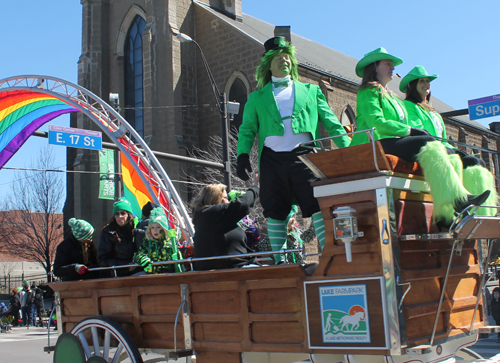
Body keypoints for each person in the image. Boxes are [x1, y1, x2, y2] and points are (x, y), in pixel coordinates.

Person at [350, 47, 490, 227]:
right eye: (388, 64)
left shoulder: (392, 96)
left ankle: (473, 211)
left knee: (457, 155)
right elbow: (376, 122)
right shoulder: (369, 91)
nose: (393, 67)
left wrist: (412, 132)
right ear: (375, 67)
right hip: (373, 144)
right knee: (427, 141)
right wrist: (411, 131)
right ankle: (454, 201)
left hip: (389, 142)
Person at [236, 36, 350, 255]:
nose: (284, 60)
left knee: (317, 205)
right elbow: (247, 129)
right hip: (272, 159)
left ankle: (328, 258)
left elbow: (333, 123)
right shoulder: (257, 98)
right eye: (278, 57)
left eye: (287, 56)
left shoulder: (311, 91)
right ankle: (279, 261)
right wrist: (242, 155)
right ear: (268, 64)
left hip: (305, 156)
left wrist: (349, 148)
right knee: (276, 210)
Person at [401, 65, 499, 218]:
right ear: (412, 85)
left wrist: (452, 148)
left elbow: (444, 139)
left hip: (442, 146)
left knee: (475, 161)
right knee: (454, 156)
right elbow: (419, 132)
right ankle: (457, 203)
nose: (426, 84)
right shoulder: (408, 106)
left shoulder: (434, 113)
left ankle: (481, 212)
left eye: (428, 81)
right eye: (422, 81)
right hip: (428, 150)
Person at [192, 174, 261, 270]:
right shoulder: (211, 213)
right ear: (214, 199)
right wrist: (255, 188)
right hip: (231, 270)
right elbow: (243, 205)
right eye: (225, 198)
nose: (228, 202)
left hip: (232, 268)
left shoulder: (207, 216)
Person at [98, 198, 144, 277]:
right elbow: (102, 259)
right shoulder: (108, 233)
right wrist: (126, 265)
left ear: (129, 215)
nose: (120, 216)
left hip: (137, 272)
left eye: (123, 213)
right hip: (116, 275)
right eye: (117, 214)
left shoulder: (137, 229)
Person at [132, 207, 184, 274]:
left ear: (164, 228)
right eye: (152, 227)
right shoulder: (147, 242)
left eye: (158, 227)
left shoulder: (171, 242)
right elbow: (137, 255)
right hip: (152, 275)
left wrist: (179, 256)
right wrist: (142, 259)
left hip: (169, 275)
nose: (155, 230)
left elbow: (181, 261)